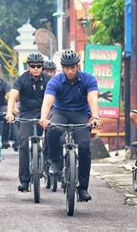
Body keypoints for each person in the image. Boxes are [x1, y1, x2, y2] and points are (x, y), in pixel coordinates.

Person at [39, 50, 101, 202]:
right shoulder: (55, 81)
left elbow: (93, 99)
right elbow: (48, 101)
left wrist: (95, 117)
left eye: (73, 67)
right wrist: (43, 118)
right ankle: (55, 161)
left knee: (85, 146)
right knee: (53, 129)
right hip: (61, 112)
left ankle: (83, 188)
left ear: (78, 66)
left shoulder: (88, 79)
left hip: (81, 113)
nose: (70, 71)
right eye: (67, 67)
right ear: (62, 67)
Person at [6, 52, 50, 192]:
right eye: (33, 66)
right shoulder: (22, 79)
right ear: (28, 66)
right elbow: (13, 95)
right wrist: (9, 111)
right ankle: (24, 181)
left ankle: (52, 164)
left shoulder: (48, 80)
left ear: (42, 66)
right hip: (26, 114)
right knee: (24, 143)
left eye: (39, 66)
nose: (36, 68)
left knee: (53, 136)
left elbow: (55, 95)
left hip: (45, 112)